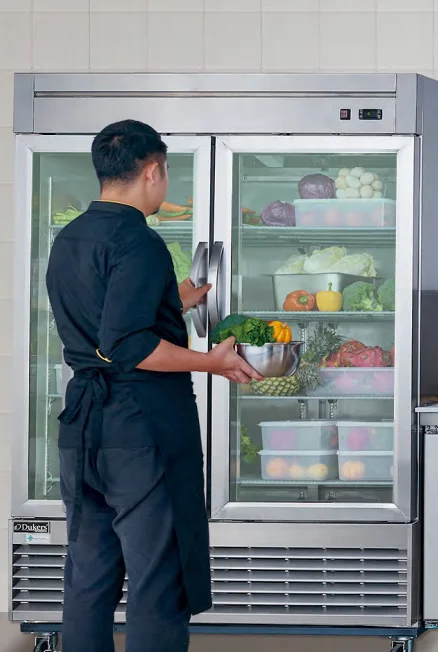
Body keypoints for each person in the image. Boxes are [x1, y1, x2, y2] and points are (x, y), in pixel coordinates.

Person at [45, 119, 262, 652]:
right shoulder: (138, 241)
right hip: (141, 430)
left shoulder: (68, 238)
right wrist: (211, 362)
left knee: (89, 579)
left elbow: (103, 320)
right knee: (157, 582)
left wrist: (172, 300)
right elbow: (130, 345)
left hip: (85, 428)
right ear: (152, 171)